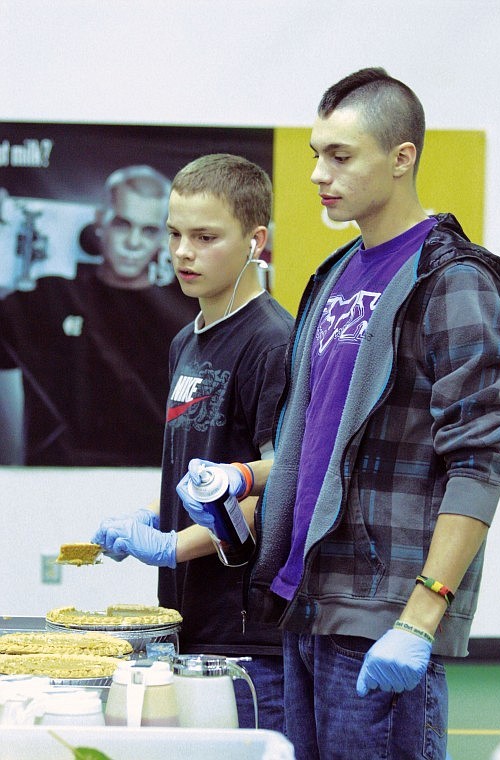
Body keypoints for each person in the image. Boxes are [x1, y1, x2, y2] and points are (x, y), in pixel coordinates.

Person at [176, 69, 500, 758]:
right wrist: (239, 496)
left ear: (401, 157)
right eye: (314, 154)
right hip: (305, 605)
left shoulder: (453, 279)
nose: (318, 174)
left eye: (340, 155)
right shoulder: (330, 274)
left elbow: (479, 459)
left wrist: (420, 619)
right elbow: (310, 446)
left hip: (382, 615)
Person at [91, 154, 294, 731]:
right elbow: (205, 470)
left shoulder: (273, 341)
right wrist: (159, 516)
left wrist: (170, 546)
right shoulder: (186, 341)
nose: (182, 252)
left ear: (256, 241)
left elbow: (274, 486)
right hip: (186, 622)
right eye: (175, 234)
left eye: (205, 237)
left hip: (248, 639)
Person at [0, 165, 197, 466]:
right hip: (58, 479)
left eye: (149, 230)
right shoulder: (48, 299)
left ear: (164, 237)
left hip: (154, 480)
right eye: (122, 224)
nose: (133, 243)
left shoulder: (188, 312)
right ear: (100, 222)